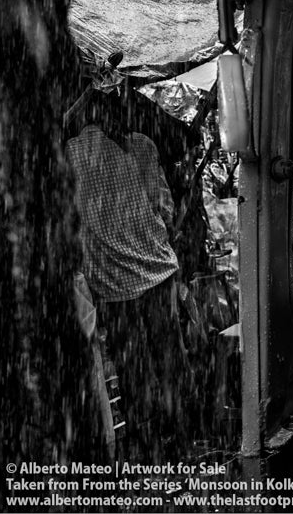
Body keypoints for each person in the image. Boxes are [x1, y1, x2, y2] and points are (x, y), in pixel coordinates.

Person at [65, 88, 185, 462]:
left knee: (133, 371)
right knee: (168, 360)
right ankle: (179, 436)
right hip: (157, 272)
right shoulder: (142, 147)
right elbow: (164, 208)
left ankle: (146, 448)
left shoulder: (69, 156)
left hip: (112, 287)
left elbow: (66, 223)